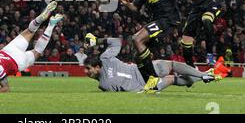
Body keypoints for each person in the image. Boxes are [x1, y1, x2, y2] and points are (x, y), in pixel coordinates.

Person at [119, 0, 219, 87]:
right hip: (158, 20)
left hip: (168, 19)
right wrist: (127, 4)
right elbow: (135, 7)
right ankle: (195, 77)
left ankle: (153, 81)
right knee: (139, 56)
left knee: (137, 39)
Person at [83, 33, 220, 93]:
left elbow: (116, 42)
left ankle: (203, 75)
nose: (86, 72)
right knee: (172, 77)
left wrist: (97, 41)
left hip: (143, 71)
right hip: (146, 85)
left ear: (97, 66)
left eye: (88, 69)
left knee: (171, 67)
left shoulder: (105, 59)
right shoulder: (103, 84)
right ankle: (205, 75)